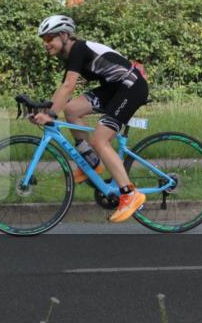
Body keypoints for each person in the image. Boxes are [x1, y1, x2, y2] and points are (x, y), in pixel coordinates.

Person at [31, 14, 149, 223]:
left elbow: (68, 86)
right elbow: (64, 91)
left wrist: (49, 115)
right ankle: (91, 161)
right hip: (114, 88)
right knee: (72, 110)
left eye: (49, 39)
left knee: (99, 139)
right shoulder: (70, 55)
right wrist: (45, 108)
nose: (46, 44)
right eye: (44, 40)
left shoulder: (78, 49)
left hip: (130, 87)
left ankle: (130, 195)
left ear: (64, 35)